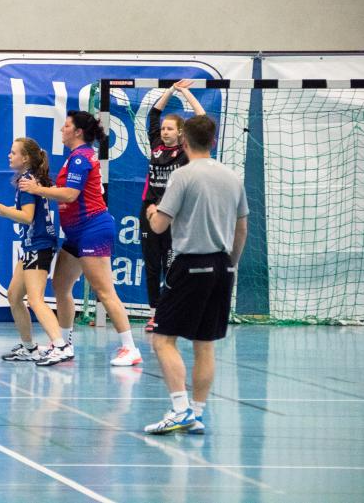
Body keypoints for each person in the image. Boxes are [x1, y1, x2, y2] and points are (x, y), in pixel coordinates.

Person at [142, 115, 248, 435]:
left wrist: (152, 211)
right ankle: (197, 413)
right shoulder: (232, 177)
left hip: (191, 264)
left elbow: (159, 225)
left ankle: (180, 409)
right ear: (213, 141)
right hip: (222, 266)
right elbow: (241, 229)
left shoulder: (182, 175)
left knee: (163, 339)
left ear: (184, 141)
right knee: (205, 344)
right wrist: (230, 263)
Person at [19, 110, 142, 367]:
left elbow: (70, 195)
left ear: (78, 132)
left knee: (104, 291)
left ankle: (130, 348)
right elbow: (66, 191)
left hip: (93, 229)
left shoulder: (80, 158)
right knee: (61, 286)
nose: (61, 130)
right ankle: (63, 345)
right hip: (75, 233)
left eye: (66, 126)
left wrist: (37, 189)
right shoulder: (74, 157)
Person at [0, 137, 70, 366]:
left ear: (25, 158)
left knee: (35, 299)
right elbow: (25, 214)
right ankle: (30, 348)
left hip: (39, 245)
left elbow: (27, 217)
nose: (9, 155)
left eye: (13, 152)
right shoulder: (28, 179)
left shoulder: (27, 181)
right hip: (31, 244)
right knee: (14, 296)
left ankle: (61, 346)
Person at [141, 80, 205, 332]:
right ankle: (154, 314)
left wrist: (185, 92)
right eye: (163, 128)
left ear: (180, 133)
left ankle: (170, 311)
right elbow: (153, 114)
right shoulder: (156, 145)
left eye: (170, 129)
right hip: (149, 210)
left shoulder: (186, 151)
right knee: (151, 265)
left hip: (173, 213)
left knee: (171, 265)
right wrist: (170, 90)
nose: (165, 132)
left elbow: (201, 118)